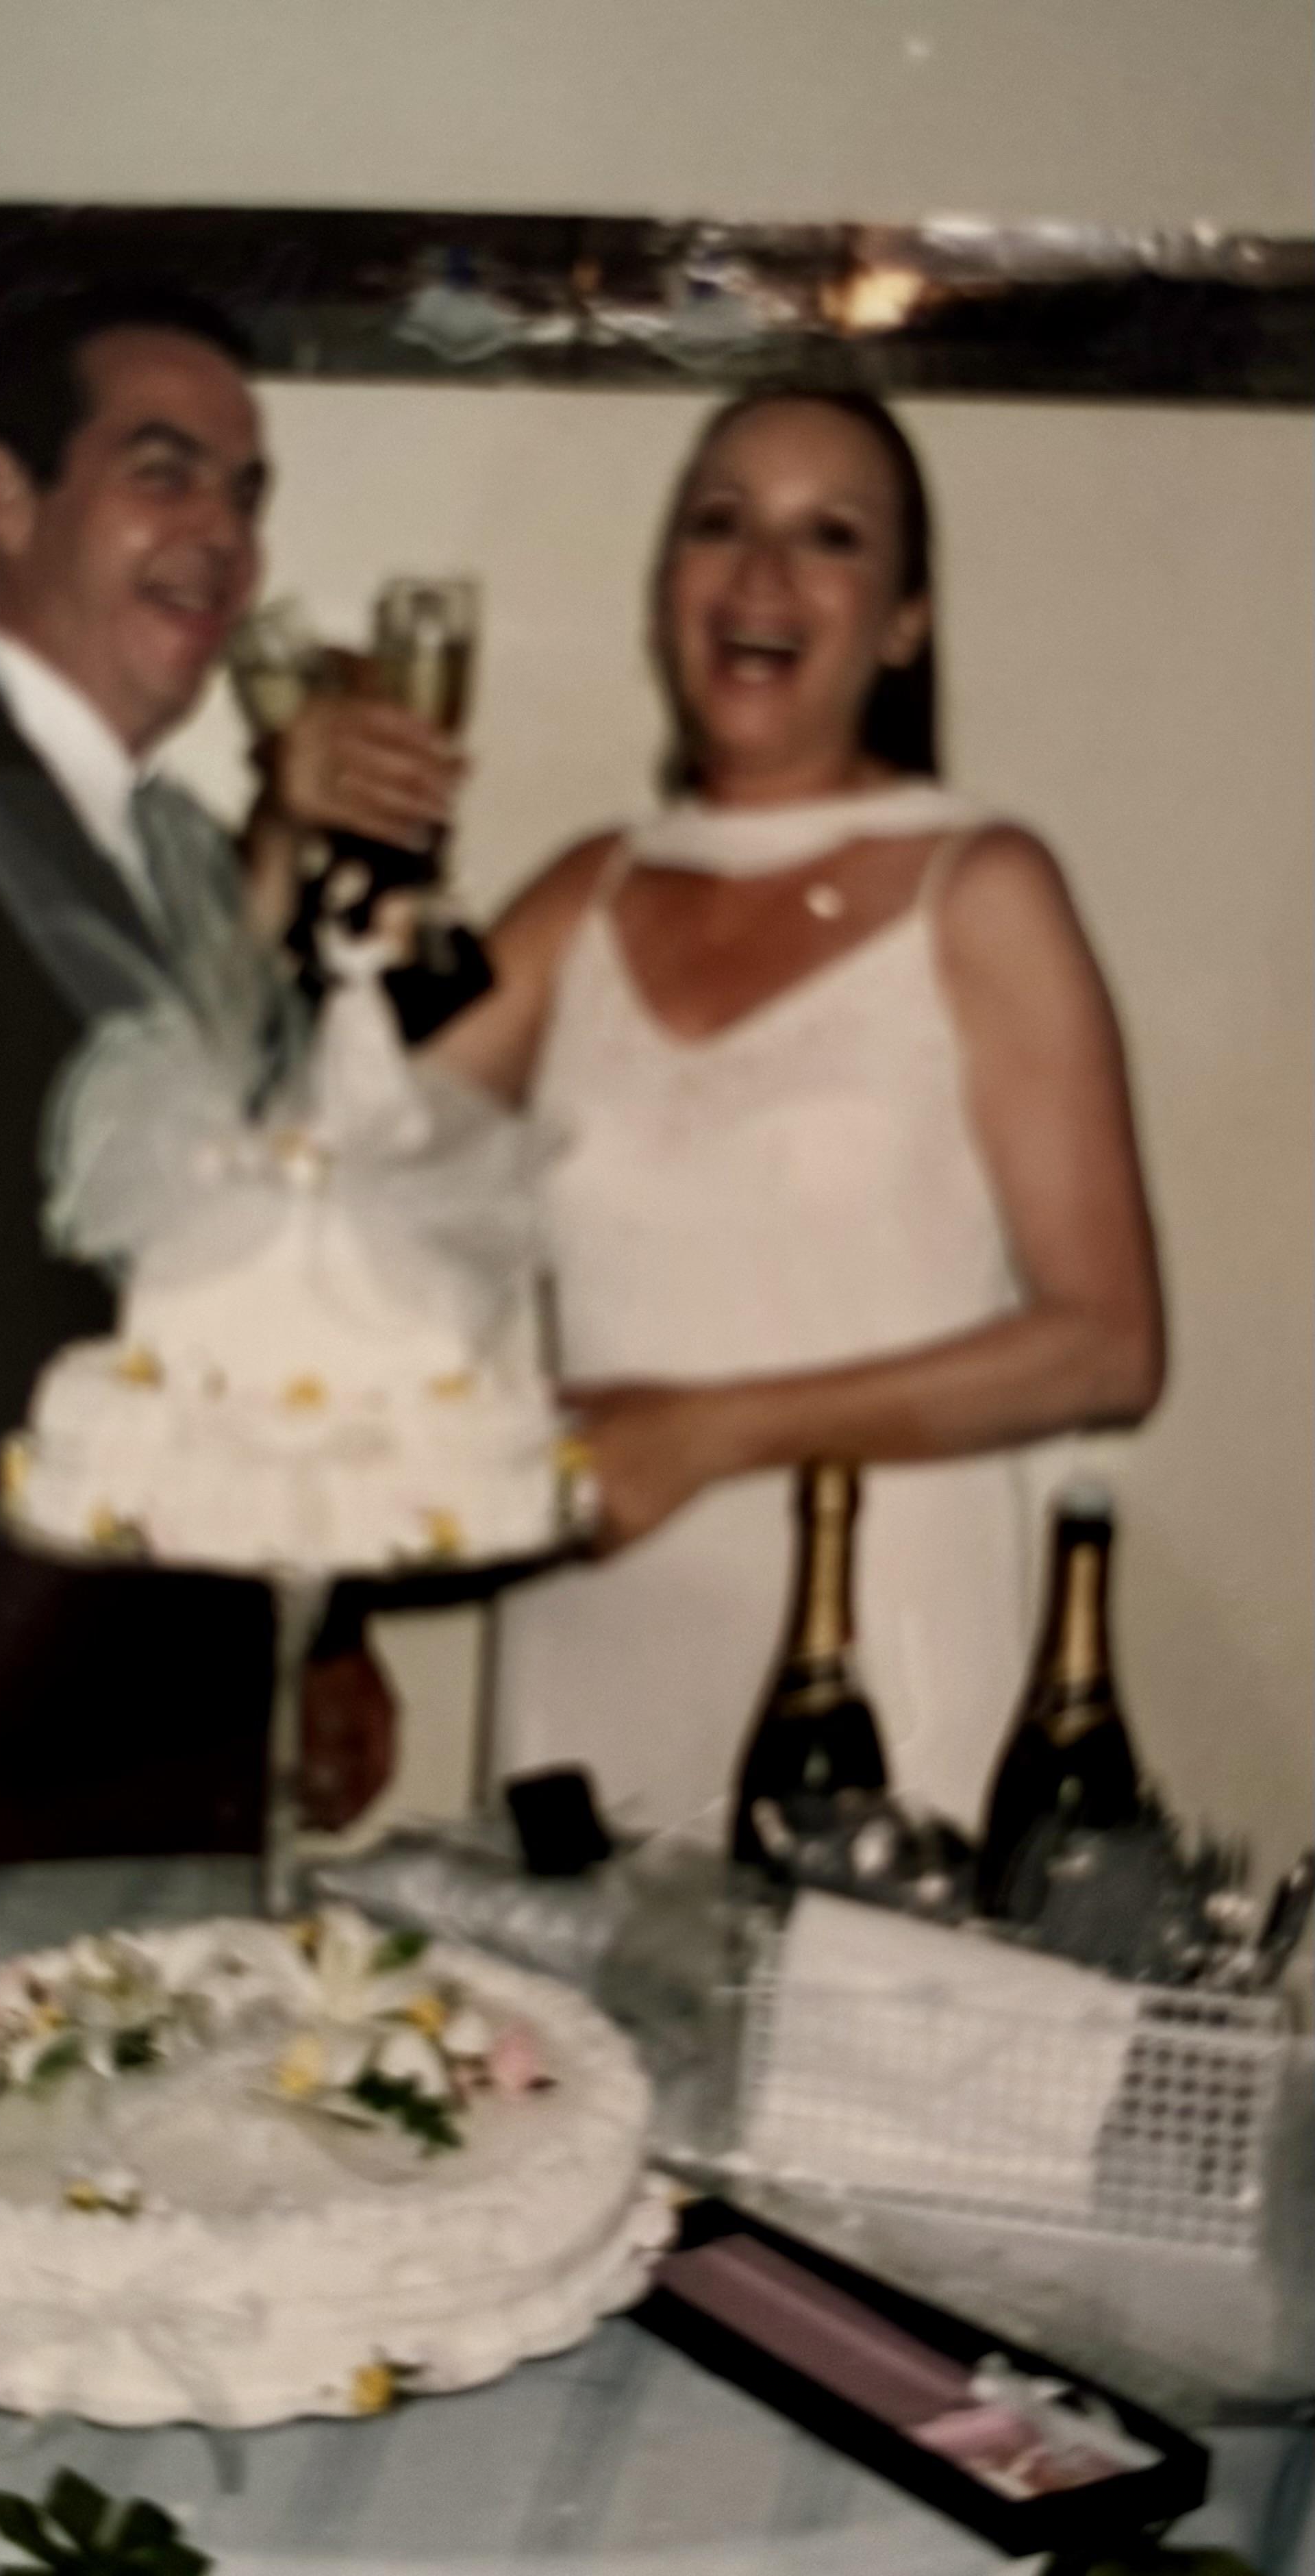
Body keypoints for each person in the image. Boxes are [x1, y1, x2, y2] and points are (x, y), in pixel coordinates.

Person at [0, 283, 462, 1862]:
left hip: (150, 1724)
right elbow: (80, 1219)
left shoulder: (180, 839)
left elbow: (274, 1249)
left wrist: (324, 1624)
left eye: (247, 494)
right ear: (6, 489)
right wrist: (273, 858)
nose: (226, 536)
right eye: (166, 470)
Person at [436, 387, 1165, 1834]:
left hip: (877, 1678)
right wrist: (299, 845)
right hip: (596, 1655)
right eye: (721, 523)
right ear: (665, 595)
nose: (762, 574)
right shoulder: (582, 894)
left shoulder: (983, 884)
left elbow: (1106, 1348)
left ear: (903, 621)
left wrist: (706, 1431)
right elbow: (329, 1186)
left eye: (829, 535)